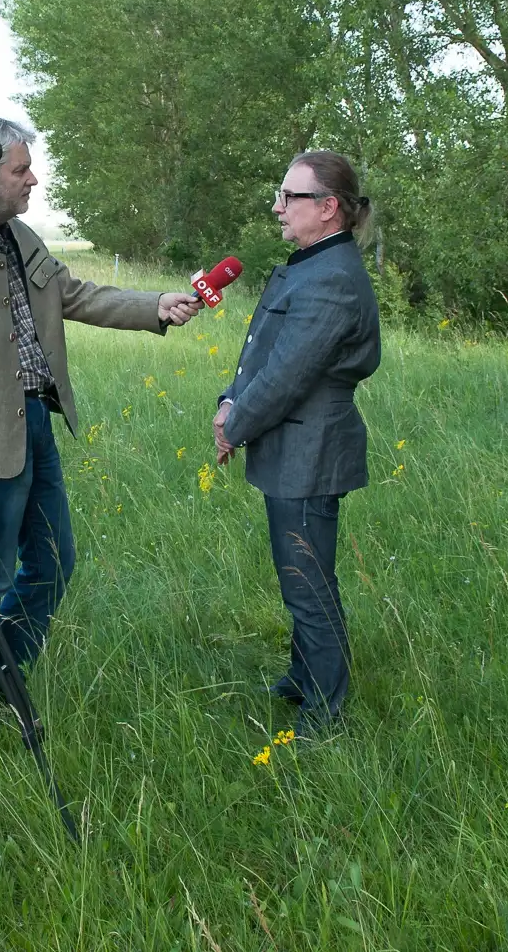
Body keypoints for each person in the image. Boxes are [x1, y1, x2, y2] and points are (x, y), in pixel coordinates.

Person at [0, 115, 202, 711]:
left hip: (36, 425)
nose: (32, 180)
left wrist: (156, 305)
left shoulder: (24, 238)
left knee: (56, 562)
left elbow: (77, 295)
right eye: (20, 170)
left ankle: (2, 667)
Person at [213, 149, 380, 737]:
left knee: (308, 581)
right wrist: (229, 399)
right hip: (292, 445)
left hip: (310, 451)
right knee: (298, 573)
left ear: (328, 208)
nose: (278, 207)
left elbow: (288, 375)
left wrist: (233, 425)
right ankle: (303, 675)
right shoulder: (312, 263)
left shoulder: (332, 278)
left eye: (290, 197)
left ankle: (326, 708)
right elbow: (263, 352)